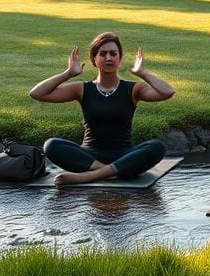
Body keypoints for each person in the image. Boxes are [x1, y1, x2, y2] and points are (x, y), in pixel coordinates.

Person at [29, 32, 174, 185]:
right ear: (94, 59)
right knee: (51, 145)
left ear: (120, 59)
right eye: (102, 54)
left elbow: (167, 92)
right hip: (89, 155)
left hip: (124, 153)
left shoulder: (133, 89)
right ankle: (112, 172)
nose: (108, 58)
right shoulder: (82, 89)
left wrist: (142, 73)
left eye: (113, 54)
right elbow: (37, 93)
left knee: (157, 147)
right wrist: (68, 73)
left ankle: (89, 176)